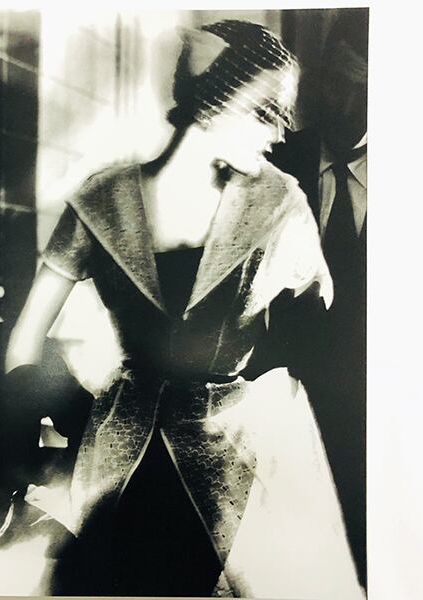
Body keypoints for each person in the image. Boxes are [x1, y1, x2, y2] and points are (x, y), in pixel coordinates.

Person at [5, 20, 364, 598]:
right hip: (120, 454)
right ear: (213, 104)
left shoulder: (279, 201)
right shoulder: (102, 197)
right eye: (266, 112)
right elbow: (26, 339)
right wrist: (64, 414)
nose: (281, 134)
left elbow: (316, 316)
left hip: (232, 457)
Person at [267, 9, 368, 587]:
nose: (344, 103)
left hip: (380, 431)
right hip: (282, 417)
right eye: (335, 82)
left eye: (363, 88)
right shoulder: (274, 163)